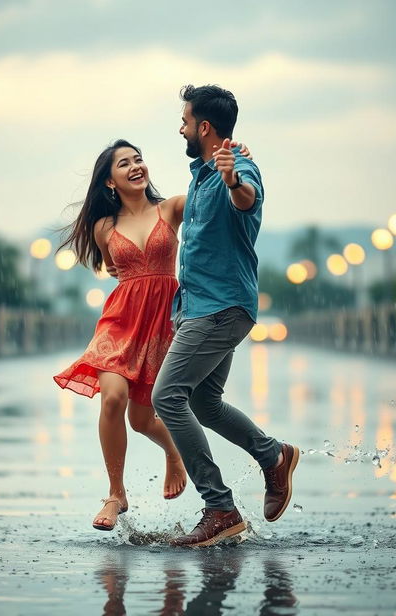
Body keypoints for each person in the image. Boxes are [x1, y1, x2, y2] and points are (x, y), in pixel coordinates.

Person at [152, 84, 299, 548]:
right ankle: (273, 456)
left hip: (219, 309)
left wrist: (234, 179)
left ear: (204, 126)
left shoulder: (237, 167)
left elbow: (246, 197)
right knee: (204, 404)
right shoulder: (200, 175)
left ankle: (219, 506)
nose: (181, 127)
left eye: (185, 120)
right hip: (203, 308)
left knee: (168, 396)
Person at [53, 139, 189, 531]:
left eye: (139, 159)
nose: (135, 166)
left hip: (162, 323)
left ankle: (174, 453)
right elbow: (117, 268)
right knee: (112, 398)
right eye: (124, 163)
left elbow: (211, 197)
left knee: (142, 420)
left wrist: (230, 167)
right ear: (110, 182)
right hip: (120, 321)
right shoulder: (103, 227)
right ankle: (115, 494)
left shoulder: (172, 208)